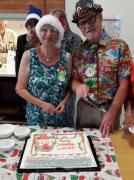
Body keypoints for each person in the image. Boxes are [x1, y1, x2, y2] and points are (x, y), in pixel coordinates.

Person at [71, 0, 132, 135]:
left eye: (91, 19)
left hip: (109, 109)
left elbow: (124, 84)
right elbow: (73, 80)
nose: (87, 26)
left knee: (108, 148)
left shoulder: (120, 47)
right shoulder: (78, 51)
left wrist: (112, 112)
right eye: (82, 23)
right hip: (84, 109)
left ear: (100, 18)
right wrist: (78, 87)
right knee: (85, 145)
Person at [15, 15, 72, 127]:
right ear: (39, 32)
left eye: (53, 30)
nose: (48, 34)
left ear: (59, 34)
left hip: (61, 120)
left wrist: (64, 101)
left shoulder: (66, 58)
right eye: (44, 30)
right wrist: (42, 104)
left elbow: (69, 86)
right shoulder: (29, 56)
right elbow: (19, 89)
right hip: (36, 120)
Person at [50, 9, 82, 126]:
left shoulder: (76, 40)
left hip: (67, 88)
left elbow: (77, 68)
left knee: (66, 121)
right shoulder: (54, 38)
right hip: (51, 87)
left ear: (63, 22)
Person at [15, 4, 42, 78]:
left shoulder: (42, 39)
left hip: (38, 76)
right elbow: (18, 62)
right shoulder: (21, 39)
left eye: (35, 25)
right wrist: (18, 79)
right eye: (30, 25)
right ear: (27, 26)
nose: (32, 28)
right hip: (24, 76)